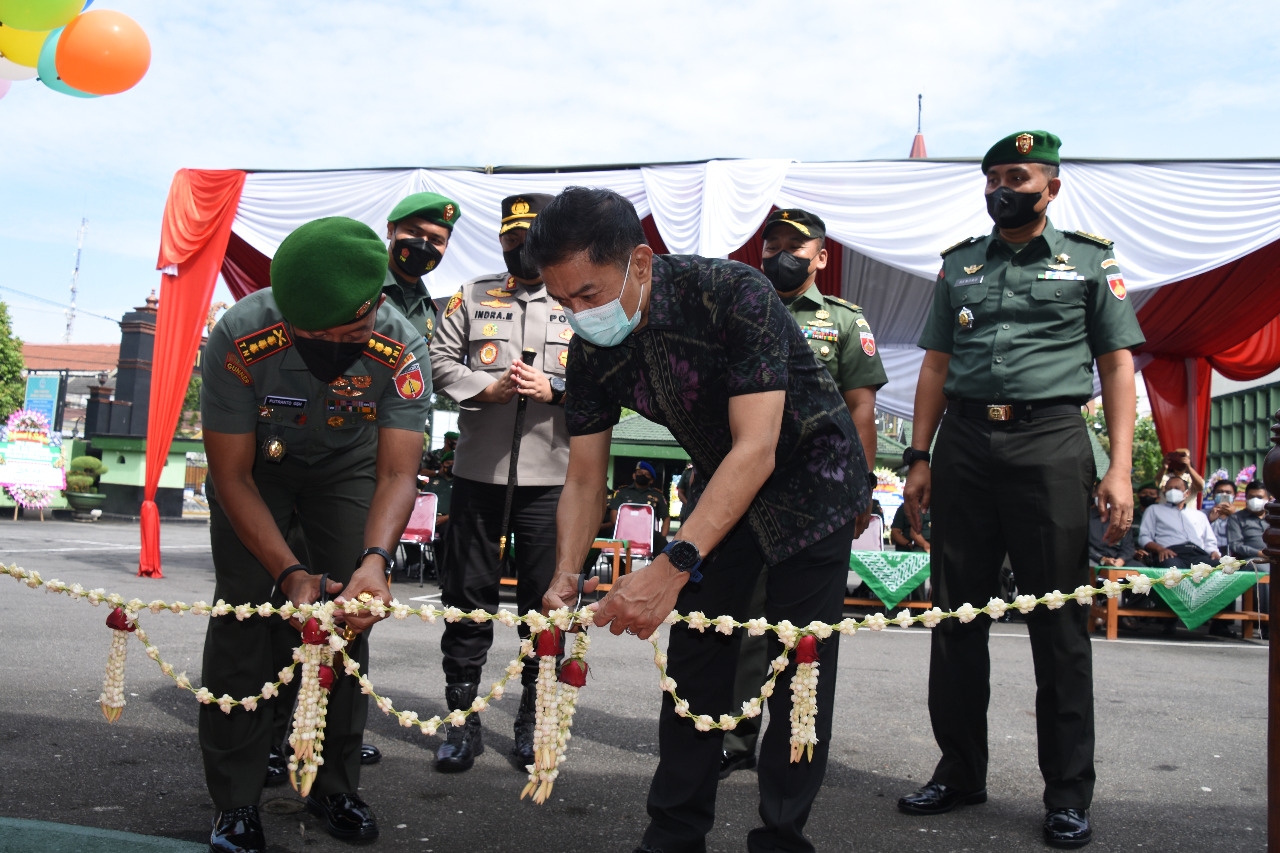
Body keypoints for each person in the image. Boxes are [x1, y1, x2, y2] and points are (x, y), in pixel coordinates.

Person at [528, 186, 870, 853]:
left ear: (640, 263)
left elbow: (758, 447)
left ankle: (781, 836)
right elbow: (586, 475)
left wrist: (673, 565)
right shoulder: (592, 348)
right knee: (695, 659)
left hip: (814, 481)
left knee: (798, 664)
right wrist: (567, 570)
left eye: (590, 294)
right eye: (563, 302)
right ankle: (674, 834)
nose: (580, 315)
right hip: (723, 482)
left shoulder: (731, 293)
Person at [896, 131, 1144, 850]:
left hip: (1051, 441)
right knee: (956, 615)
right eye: (994, 177)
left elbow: (1117, 365)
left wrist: (1119, 467)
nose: (1003, 188)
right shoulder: (960, 264)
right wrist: (920, 455)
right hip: (966, 442)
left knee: (1058, 621)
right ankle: (959, 771)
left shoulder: (1090, 261)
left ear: (1051, 188)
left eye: (1018, 177)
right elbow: (936, 364)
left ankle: (1067, 792)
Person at [199, 217, 431, 852]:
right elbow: (231, 476)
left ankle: (333, 785)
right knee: (245, 618)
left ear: (376, 303)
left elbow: (397, 472)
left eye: (349, 334)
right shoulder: (239, 335)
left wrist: (375, 560)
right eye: (313, 337)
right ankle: (235, 798)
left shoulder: (401, 346)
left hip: (349, 469)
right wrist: (289, 572)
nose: (332, 347)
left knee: (345, 623)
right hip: (257, 473)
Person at [721, 206, 887, 779]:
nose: (779, 256)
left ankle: (794, 744)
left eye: (794, 246)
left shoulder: (843, 321)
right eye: (771, 247)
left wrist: (860, 484)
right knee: (742, 620)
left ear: (820, 256)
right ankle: (736, 739)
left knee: (806, 631)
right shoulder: (739, 308)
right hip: (746, 487)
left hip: (817, 493)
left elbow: (862, 408)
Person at [428, 193, 572, 773]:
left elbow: (610, 380)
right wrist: (484, 388)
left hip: (552, 480)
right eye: (511, 238)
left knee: (545, 607)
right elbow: (436, 360)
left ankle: (534, 720)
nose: (519, 247)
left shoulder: (579, 299)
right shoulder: (472, 295)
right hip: (478, 476)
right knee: (467, 600)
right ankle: (461, 719)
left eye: (530, 238)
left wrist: (555, 391)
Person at [382, 191, 461, 347]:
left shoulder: (427, 309)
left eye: (435, 240)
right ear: (391, 230)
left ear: (446, 246)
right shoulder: (364, 283)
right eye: (414, 232)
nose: (423, 244)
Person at [1137, 475, 1220, 568]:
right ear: (1164, 493)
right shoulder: (1154, 510)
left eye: (1177, 488)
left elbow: (1209, 541)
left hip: (1198, 554)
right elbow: (1144, 537)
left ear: (1187, 493)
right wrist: (1160, 549)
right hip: (1171, 553)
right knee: (1172, 569)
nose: (1173, 491)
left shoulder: (1199, 515)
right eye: (1169, 489)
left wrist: (1214, 552)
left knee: (1222, 568)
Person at [607, 460, 670, 550]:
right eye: (640, 473)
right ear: (634, 475)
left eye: (646, 474)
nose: (642, 475)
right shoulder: (621, 492)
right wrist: (619, 529)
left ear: (651, 480)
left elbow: (666, 518)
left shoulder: (657, 495)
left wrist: (663, 537)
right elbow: (614, 514)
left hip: (648, 534)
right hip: (624, 532)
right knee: (606, 546)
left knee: (664, 547)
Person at [1227, 480, 1269, 561]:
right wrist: (1259, 553)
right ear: (1246, 498)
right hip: (1252, 559)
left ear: (1268, 499)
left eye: (1259, 497)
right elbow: (1235, 545)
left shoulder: (1274, 518)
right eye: (1251, 497)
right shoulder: (1236, 518)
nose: (1255, 500)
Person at [1204, 478, 1237, 553]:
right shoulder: (1203, 515)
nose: (1224, 495)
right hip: (1209, 553)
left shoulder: (1240, 516)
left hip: (1232, 553)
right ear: (1213, 495)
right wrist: (1209, 521)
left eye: (1228, 492)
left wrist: (1234, 516)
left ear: (1234, 497)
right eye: (1220, 492)